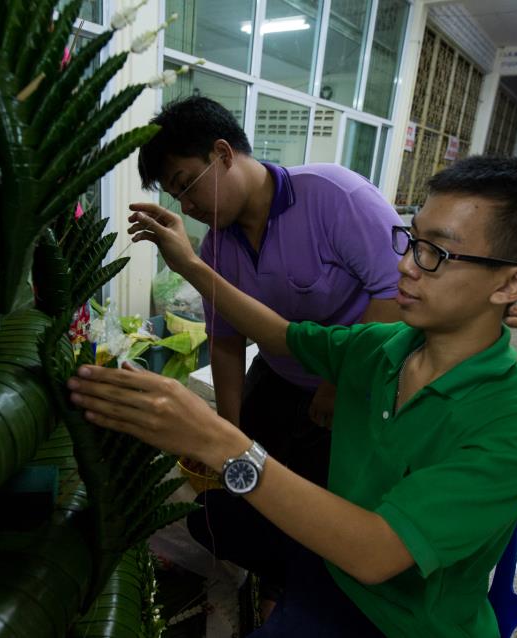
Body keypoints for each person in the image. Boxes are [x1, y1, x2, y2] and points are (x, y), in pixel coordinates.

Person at [68, 156, 517, 636]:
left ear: (511, 284)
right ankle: (283, 591)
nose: (405, 267)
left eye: (435, 253)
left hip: (395, 619)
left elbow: (376, 554)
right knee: (212, 520)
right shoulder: (382, 348)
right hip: (329, 565)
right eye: (410, 240)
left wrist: (216, 438)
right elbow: (283, 335)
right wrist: (190, 265)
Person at [136, 96, 403, 488]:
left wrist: (340, 383)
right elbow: (226, 343)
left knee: (324, 498)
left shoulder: (334, 196)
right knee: (252, 484)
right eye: (177, 197)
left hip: (358, 378)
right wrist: (227, 436)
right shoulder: (217, 248)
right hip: (281, 371)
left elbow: (395, 294)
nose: (188, 205)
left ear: (223, 153)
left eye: (186, 184)